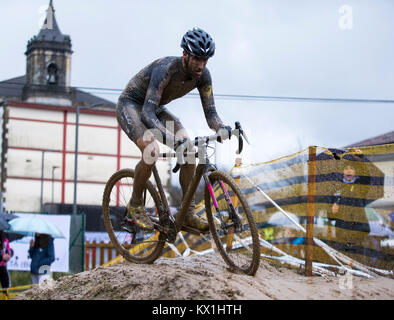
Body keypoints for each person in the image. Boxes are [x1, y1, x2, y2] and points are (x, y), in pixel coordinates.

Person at [117, 28, 232, 232]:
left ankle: (186, 214)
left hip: (157, 109)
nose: (201, 65)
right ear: (185, 54)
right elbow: (147, 115)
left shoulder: (204, 76)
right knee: (151, 150)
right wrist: (170, 138)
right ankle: (135, 205)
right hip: (133, 106)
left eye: (205, 59)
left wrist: (222, 128)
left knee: (188, 150)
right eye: (197, 58)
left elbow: (211, 114)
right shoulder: (166, 69)